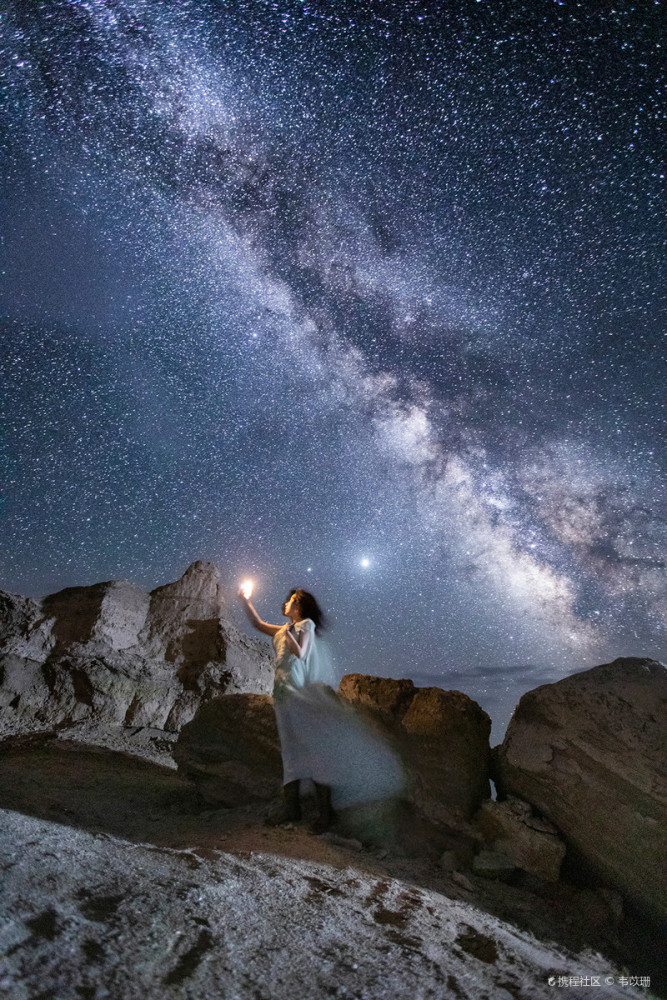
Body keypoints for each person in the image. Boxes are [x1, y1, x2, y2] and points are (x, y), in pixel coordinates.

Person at [238, 586, 338, 832]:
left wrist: (291, 630)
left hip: (298, 693)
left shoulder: (305, 625)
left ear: (300, 607)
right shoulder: (285, 629)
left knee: (312, 750)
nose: (286, 603)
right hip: (282, 695)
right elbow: (257, 624)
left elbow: (301, 652)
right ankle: (292, 807)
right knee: (290, 753)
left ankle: (327, 814)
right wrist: (244, 600)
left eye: (291, 601)